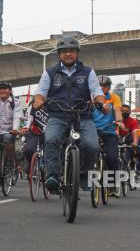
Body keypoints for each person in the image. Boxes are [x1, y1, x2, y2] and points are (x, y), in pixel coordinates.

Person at [32, 36, 105, 192]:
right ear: (59, 54)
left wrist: (101, 101)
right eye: (64, 51)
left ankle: (84, 174)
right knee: (51, 140)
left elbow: (97, 92)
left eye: (71, 51)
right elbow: (41, 92)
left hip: (83, 116)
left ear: (77, 54)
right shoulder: (50, 73)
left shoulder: (88, 72)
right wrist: (38, 100)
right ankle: (53, 177)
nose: (68, 54)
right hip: (57, 116)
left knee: (92, 145)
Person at [92, 75, 124, 194]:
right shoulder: (90, 98)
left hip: (109, 131)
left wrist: (119, 121)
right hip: (92, 130)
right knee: (87, 151)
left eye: (104, 86)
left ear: (109, 87)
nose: (101, 88)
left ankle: (111, 184)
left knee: (112, 157)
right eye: (99, 86)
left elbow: (117, 111)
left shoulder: (114, 98)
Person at [21, 100, 47, 176]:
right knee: (27, 150)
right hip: (35, 133)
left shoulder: (54, 104)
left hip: (49, 134)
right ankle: (30, 164)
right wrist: (25, 127)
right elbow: (28, 117)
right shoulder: (33, 105)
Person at [118, 104, 140, 174]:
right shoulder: (116, 120)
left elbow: (135, 132)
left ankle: (139, 168)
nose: (125, 112)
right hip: (120, 139)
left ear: (130, 112)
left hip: (131, 139)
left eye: (127, 111)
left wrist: (135, 143)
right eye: (123, 111)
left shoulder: (133, 121)